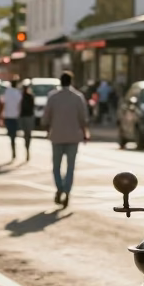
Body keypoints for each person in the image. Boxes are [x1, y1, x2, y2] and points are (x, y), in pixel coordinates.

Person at [40, 70, 89, 209]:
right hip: (74, 136)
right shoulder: (78, 97)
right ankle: (67, 191)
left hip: (57, 136)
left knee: (56, 166)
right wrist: (85, 133)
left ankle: (60, 187)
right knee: (70, 167)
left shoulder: (53, 97)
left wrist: (47, 130)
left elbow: (46, 117)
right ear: (71, 81)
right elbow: (83, 118)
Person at [0, 77, 23, 161]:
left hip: (8, 116)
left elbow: (3, 104)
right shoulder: (18, 93)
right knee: (13, 135)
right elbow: (19, 105)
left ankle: (13, 148)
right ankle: (14, 149)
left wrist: (1, 116)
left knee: (11, 135)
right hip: (15, 116)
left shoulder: (7, 92)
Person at [19, 80, 36, 161]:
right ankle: (27, 149)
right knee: (28, 135)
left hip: (25, 117)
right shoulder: (29, 96)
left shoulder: (22, 97)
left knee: (26, 135)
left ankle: (27, 148)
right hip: (28, 117)